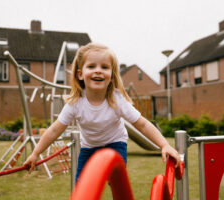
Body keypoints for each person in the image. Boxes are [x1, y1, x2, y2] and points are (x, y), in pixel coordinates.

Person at [24, 42, 180, 182]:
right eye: (91, 66)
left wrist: (164, 145)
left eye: (104, 67)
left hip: (115, 143)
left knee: (117, 181)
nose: (98, 71)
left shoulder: (116, 100)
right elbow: (55, 129)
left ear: (111, 76)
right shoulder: (75, 103)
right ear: (80, 74)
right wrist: (36, 153)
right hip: (89, 148)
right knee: (82, 185)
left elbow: (143, 124)